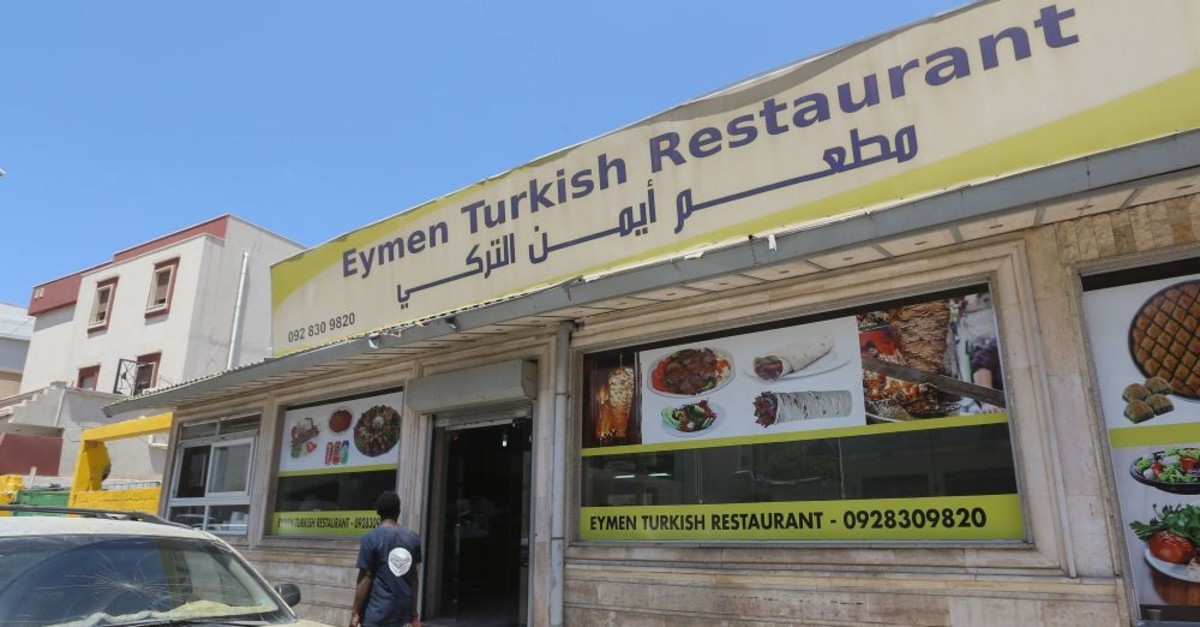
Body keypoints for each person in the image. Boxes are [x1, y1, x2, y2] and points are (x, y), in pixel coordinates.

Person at [350, 491, 422, 627]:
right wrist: (414, 611)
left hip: (376, 615)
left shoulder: (370, 538)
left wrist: (355, 612)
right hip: (403, 616)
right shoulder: (414, 539)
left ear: (378, 512)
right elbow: (414, 578)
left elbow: (365, 578)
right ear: (398, 511)